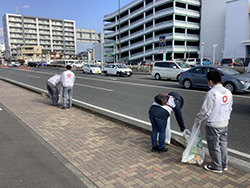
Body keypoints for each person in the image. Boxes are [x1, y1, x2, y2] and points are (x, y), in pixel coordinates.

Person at [194, 69, 233, 173]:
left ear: (210, 81)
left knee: (214, 145)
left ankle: (217, 166)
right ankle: (224, 164)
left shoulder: (212, 93)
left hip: (213, 123)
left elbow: (205, 110)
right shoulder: (228, 92)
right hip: (224, 122)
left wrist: (198, 119)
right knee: (223, 144)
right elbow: (230, 107)